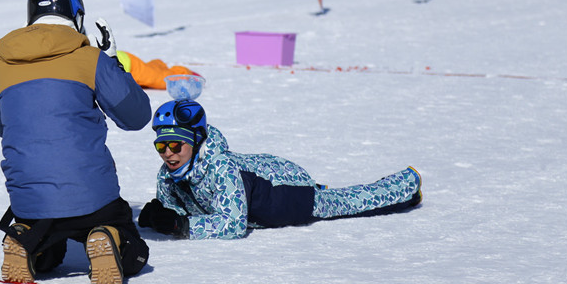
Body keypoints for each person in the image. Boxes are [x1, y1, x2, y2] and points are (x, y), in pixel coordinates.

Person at [0, 0, 152, 284]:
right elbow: (136, 116)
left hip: (30, 204)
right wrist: (111, 63)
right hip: (93, 198)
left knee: (48, 251)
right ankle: (107, 233)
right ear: (78, 18)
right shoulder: (90, 59)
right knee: (134, 251)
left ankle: (25, 239)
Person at [139, 99, 422, 239]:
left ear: (196, 140)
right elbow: (173, 210)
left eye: (175, 145)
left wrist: (182, 226)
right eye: (161, 146)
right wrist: (163, 216)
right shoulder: (168, 176)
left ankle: (407, 184)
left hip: (284, 191)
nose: (168, 154)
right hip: (261, 172)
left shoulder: (220, 168)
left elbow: (234, 224)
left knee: (341, 202)